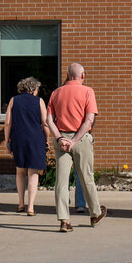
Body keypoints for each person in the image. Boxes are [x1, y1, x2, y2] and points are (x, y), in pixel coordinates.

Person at [46, 62, 107, 232]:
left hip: (61, 139)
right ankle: (95, 213)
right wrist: (74, 141)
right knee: (86, 177)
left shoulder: (56, 93)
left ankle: (64, 220)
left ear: (68, 75)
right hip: (80, 139)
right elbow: (89, 120)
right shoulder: (88, 91)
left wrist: (59, 138)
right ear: (82, 75)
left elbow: (49, 120)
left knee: (61, 181)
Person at [3, 76, 49, 215]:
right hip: (35, 139)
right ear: (34, 89)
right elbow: (45, 123)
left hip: (19, 138)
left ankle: (21, 203)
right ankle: (31, 207)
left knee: (20, 171)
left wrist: (7, 141)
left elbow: (7, 123)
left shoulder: (13, 100)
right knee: (33, 173)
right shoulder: (39, 101)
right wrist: (46, 139)